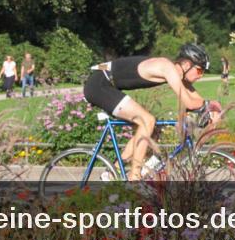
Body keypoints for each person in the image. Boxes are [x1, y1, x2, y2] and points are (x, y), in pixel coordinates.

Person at [82, 43, 222, 180]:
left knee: (152, 129)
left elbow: (196, 100)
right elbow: (189, 102)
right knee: (147, 120)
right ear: (186, 64)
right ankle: (134, 176)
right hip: (99, 84)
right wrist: (208, 106)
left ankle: (112, 172)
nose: (201, 76)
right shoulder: (167, 67)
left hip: (108, 85)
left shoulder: (179, 75)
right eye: (199, 71)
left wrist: (212, 108)